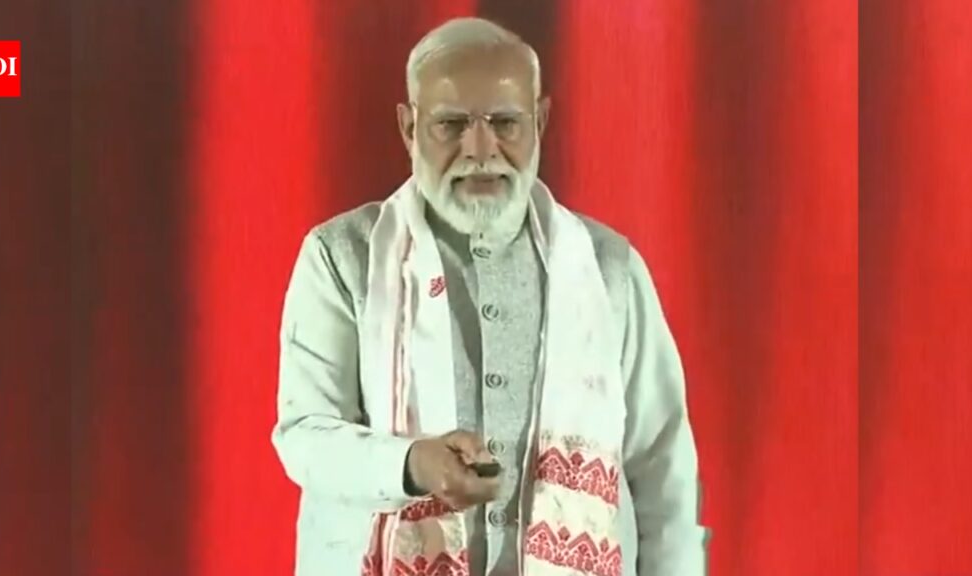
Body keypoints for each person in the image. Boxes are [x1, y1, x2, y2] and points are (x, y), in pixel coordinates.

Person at [271, 17, 707, 576]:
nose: (481, 150)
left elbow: (663, 470)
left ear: (539, 122)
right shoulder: (342, 257)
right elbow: (305, 437)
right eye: (451, 125)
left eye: (505, 123)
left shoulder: (608, 268)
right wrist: (412, 464)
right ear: (409, 128)